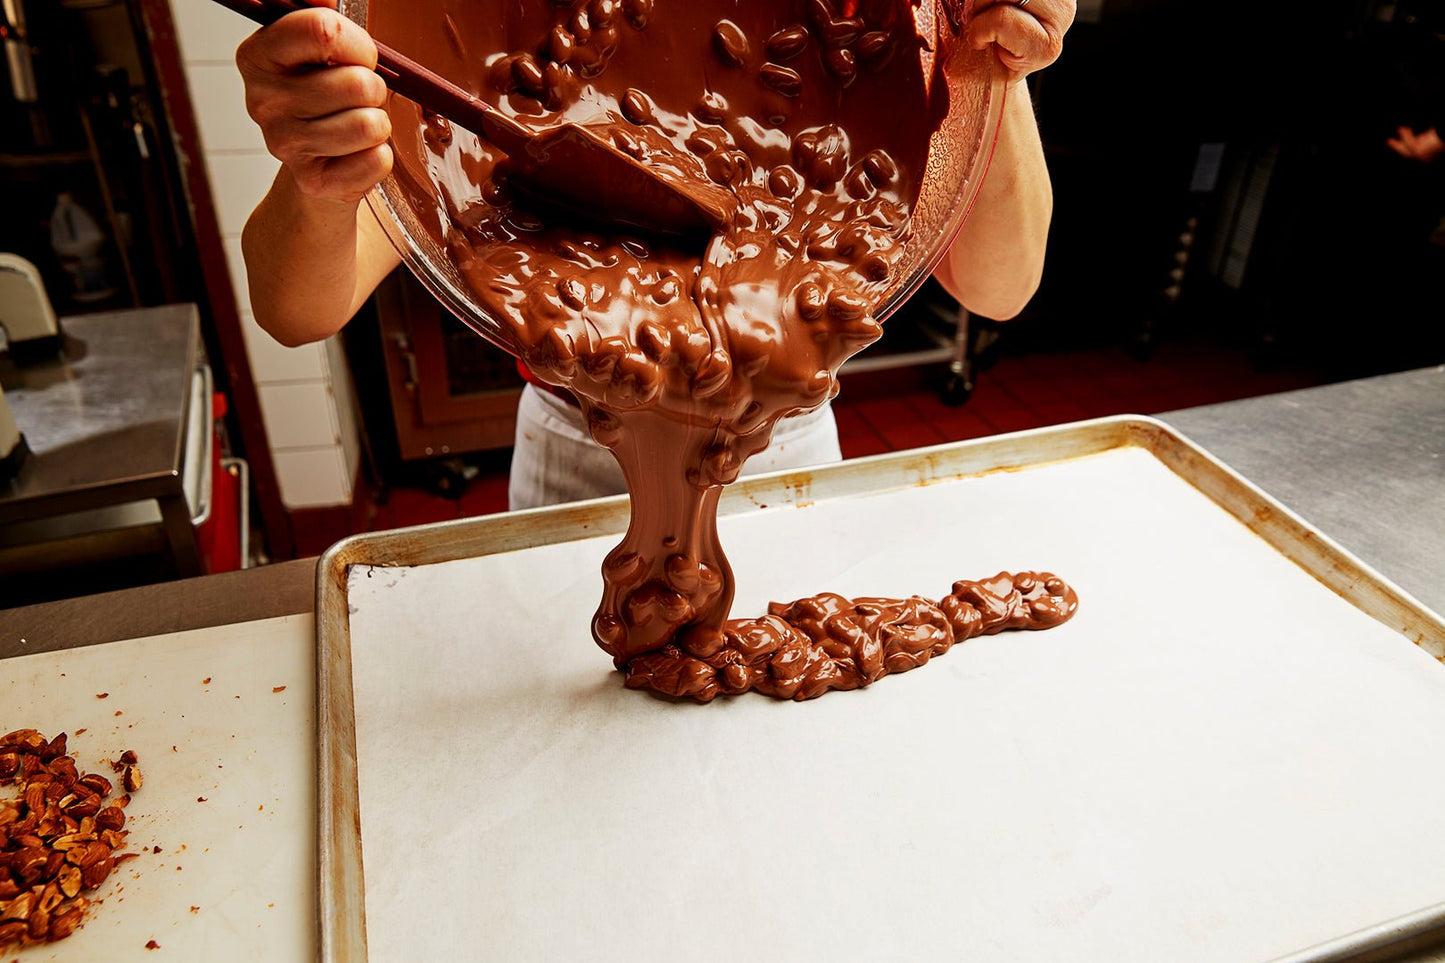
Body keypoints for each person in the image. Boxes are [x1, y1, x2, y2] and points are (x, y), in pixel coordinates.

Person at [238, 0, 1075, 508]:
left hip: (790, 441)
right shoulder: (509, 40)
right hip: (573, 442)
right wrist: (321, 171)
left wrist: (998, 59)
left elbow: (1000, 287)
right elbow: (297, 309)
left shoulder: (870, 24)